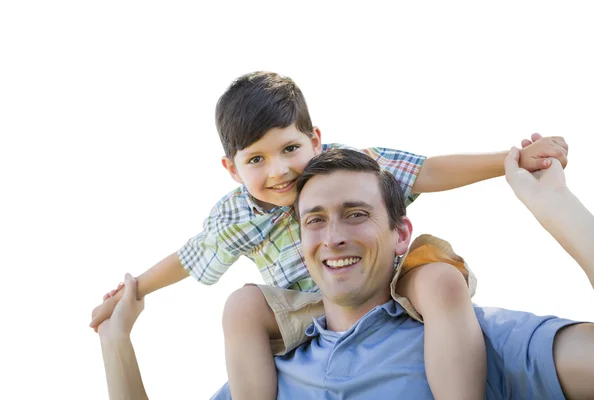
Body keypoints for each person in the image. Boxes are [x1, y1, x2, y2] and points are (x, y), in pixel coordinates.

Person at [90, 71, 569, 400]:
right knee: (242, 307)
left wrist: (509, 162)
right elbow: (190, 257)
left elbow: (427, 170)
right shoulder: (236, 215)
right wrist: (133, 291)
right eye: (256, 159)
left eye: (290, 148)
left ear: (315, 140)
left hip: (388, 278)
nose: (279, 171)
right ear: (231, 169)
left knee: (439, 279)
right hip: (308, 306)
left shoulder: (350, 168)